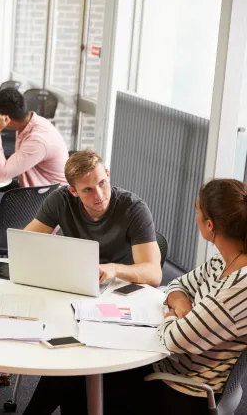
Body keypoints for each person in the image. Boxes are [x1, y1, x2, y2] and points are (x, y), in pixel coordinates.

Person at [23, 178, 247, 415]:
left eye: (197, 211)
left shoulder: (239, 286)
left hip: (184, 389)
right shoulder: (223, 259)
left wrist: (173, 315)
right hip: (169, 364)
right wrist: (181, 303)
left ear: (210, 225)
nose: (195, 217)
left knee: (78, 380)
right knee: (75, 366)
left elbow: (175, 339)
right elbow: (177, 285)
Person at [25, 150, 162, 286]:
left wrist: (114, 269)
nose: (99, 195)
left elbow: (154, 274)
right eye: (88, 189)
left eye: (102, 183)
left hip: (120, 284)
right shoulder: (60, 200)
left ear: (107, 175)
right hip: (75, 280)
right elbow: (26, 244)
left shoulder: (133, 208)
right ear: (73, 191)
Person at [0, 88, 69, 228]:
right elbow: (21, 160)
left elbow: (0, 174)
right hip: (35, 189)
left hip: (47, 200)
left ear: (6, 118)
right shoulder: (30, 124)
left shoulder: (38, 139)